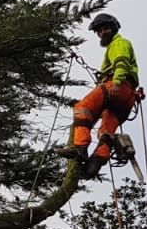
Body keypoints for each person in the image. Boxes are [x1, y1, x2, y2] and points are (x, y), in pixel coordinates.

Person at [57, 13, 140, 179]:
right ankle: (94, 165)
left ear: (114, 28)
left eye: (105, 28)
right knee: (105, 132)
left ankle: (79, 148)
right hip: (128, 98)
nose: (102, 33)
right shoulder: (115, 46)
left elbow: (121, 62)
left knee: (82, 107)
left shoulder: (119, 43)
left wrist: (116, 82)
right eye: (99, 31)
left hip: (118, 87)